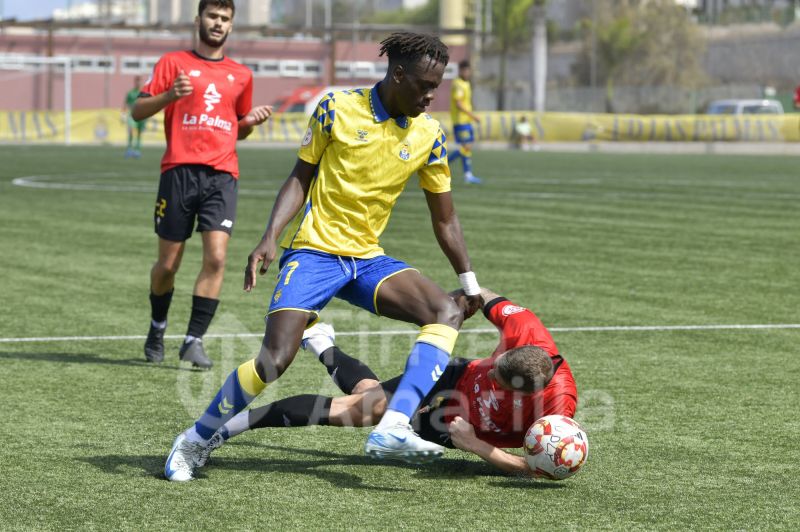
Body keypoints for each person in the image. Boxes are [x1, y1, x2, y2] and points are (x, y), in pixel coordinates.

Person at [164, 32, 483, 482]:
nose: (432, 96)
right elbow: (300, 177)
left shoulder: (430, 135)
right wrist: (269, 236)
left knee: (444, 310)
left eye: (438, 86)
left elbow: (445, 219)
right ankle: (195, 439)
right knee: (274, 360)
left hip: (368, 260)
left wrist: (470, 286)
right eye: (425, 86)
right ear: (397, 75)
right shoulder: (337, 107)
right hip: (314, 252)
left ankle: (392, 426)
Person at [200, 287, 578, 476]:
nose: (491, 371)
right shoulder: (528, 330)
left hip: (457, 427)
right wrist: (458, 300)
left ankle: (320, 342)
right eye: (494, 365)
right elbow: (485, 294)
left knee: (368, 400)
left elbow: (537, 470)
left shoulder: (559, 409)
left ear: (523, 391)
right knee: (360, 409)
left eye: (497, 378)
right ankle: (223, 430)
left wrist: (475, 445)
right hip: (453, 376)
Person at [132, 0, 272, 368]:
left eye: (225, 18)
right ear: (198, 20)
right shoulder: (172, 64)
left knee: (218, 256)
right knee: (168, 265)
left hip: (222, 175)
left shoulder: (241, 74)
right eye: (212, 16)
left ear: (231, 25)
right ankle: (157, 325)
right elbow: (137, 111)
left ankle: (194, 340)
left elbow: (236, 129)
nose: (218, 23)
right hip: (178, 172)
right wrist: (168, 96)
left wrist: (251, 122)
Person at [448, 59, 482, 184]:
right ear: (461, 70)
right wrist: (473, 116)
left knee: (467, 147)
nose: (468, 73)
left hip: (466, 121)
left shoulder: (466, 83)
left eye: (469, 70)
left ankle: (468, 175)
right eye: (466, 70)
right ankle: (443, 162)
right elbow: (458, 104)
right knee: (466, 147)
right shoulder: (458, 84)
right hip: (460, 121)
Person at [122, 77, 146, 158]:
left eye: (139, 81)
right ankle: (129, 149)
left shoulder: (144, 92)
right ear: (134, 82)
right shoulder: (130, 93)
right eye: (136, 81)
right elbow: (126, 104)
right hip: (132, 115)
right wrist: (123, 114)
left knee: (139, 132)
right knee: (131, 131)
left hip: (142, 114)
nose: (138, 83)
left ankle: (137, 150)